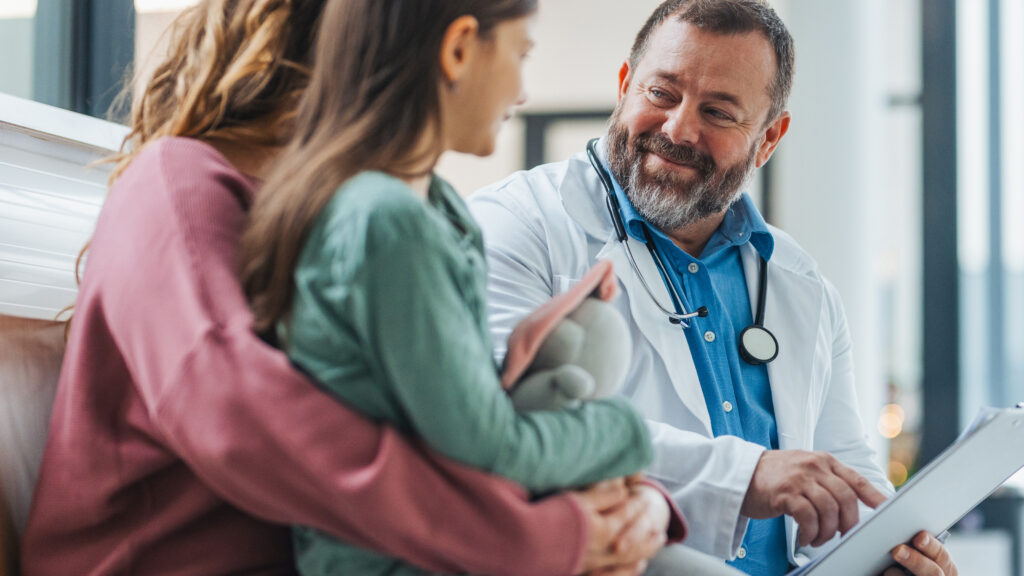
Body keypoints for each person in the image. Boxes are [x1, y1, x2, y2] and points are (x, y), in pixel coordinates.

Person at [20, 1, 679, 574]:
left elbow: (442, 419)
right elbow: (249, 426)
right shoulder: (178, 187)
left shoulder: (367, 212)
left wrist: (636, 499)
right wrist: (545, 537)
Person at [468, 1, 958, 575]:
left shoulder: (800, 283)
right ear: (626, 84)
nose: (679, 129)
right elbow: (513, 426)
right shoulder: (514, 226)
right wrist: (747, 476)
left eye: (719, 112)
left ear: (769, 138)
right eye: (661, 93)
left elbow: (844, 471)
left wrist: (892, 554)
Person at [235, 1, 698, 574]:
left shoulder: (438, 208)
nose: (523, 92)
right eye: (520, 55)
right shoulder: (385, 220)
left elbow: (445, 412)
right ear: (457, 50)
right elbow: (490, 449)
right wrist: (624, 431)